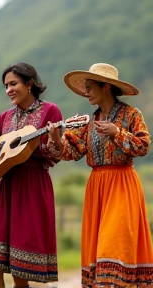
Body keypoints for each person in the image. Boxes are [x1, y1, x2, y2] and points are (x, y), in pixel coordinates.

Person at [0, 62, 64, 288]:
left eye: (13, 84)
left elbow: (55, 156)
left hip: (33, 187)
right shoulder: (5, 117)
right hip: (7, 186)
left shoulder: (51, 111)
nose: (8, 90)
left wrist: (56, 140)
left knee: (21, 267)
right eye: (6, 86)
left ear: (29, 83)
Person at [58, 63, 153, 287]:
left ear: (106, 87)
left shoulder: (131, 114)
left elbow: (143, 146)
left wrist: (116, 132)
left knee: (112, 246)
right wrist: (56, 138)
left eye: (90, 87)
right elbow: (71, 152)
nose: (86, 92)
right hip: (97, 187)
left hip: (122, 185)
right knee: (98, 248)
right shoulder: (90, 122)